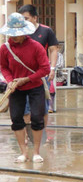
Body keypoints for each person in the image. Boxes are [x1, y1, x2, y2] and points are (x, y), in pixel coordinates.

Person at [0, 13, 50, 163]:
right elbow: (3, 66)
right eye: (12, 34)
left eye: (18, 34)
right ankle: (23, 152)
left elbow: (45, 69)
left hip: (35, 86)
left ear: (25, 32)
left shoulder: (36, 47)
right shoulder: (5, 48)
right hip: (15, 88)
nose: (15, 37)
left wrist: (27, 79)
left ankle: (36, 152)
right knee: (16, 119)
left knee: (36, 117)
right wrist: (10, 81)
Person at [18, 4, 58, 118]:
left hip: (41, 74)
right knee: (24, 106)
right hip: (23, 74)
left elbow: (53, 50)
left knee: (40, 106)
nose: (24, 22)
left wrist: (52, 69)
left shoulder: (46, 31)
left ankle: (40, 132)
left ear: (35, 18)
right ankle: (25, 134)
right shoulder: (20, 33)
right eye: (22, 19)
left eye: (26, 18)